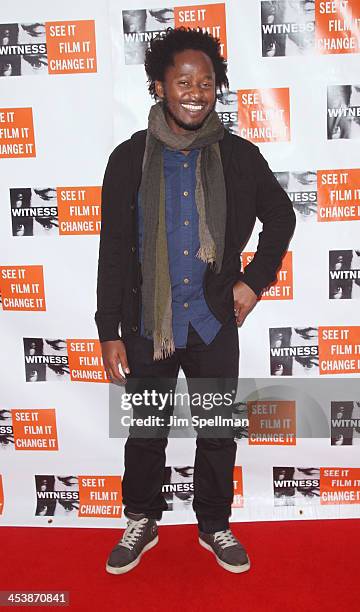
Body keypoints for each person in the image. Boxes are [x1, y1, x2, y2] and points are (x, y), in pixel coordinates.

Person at [95, 27, 296, 575]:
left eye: (206, 82)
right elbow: (113, 247)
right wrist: (108, 329)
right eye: (183, 80)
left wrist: (253, 281)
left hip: (212, 322)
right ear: (158, 85)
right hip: (147, 325)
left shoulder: (237, 156)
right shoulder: (128, 159)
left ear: (216, 89)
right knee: (146, 432)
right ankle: (141, 518)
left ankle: (214, 524)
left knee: (215, 433)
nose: (195, 91)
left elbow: (282, 216)